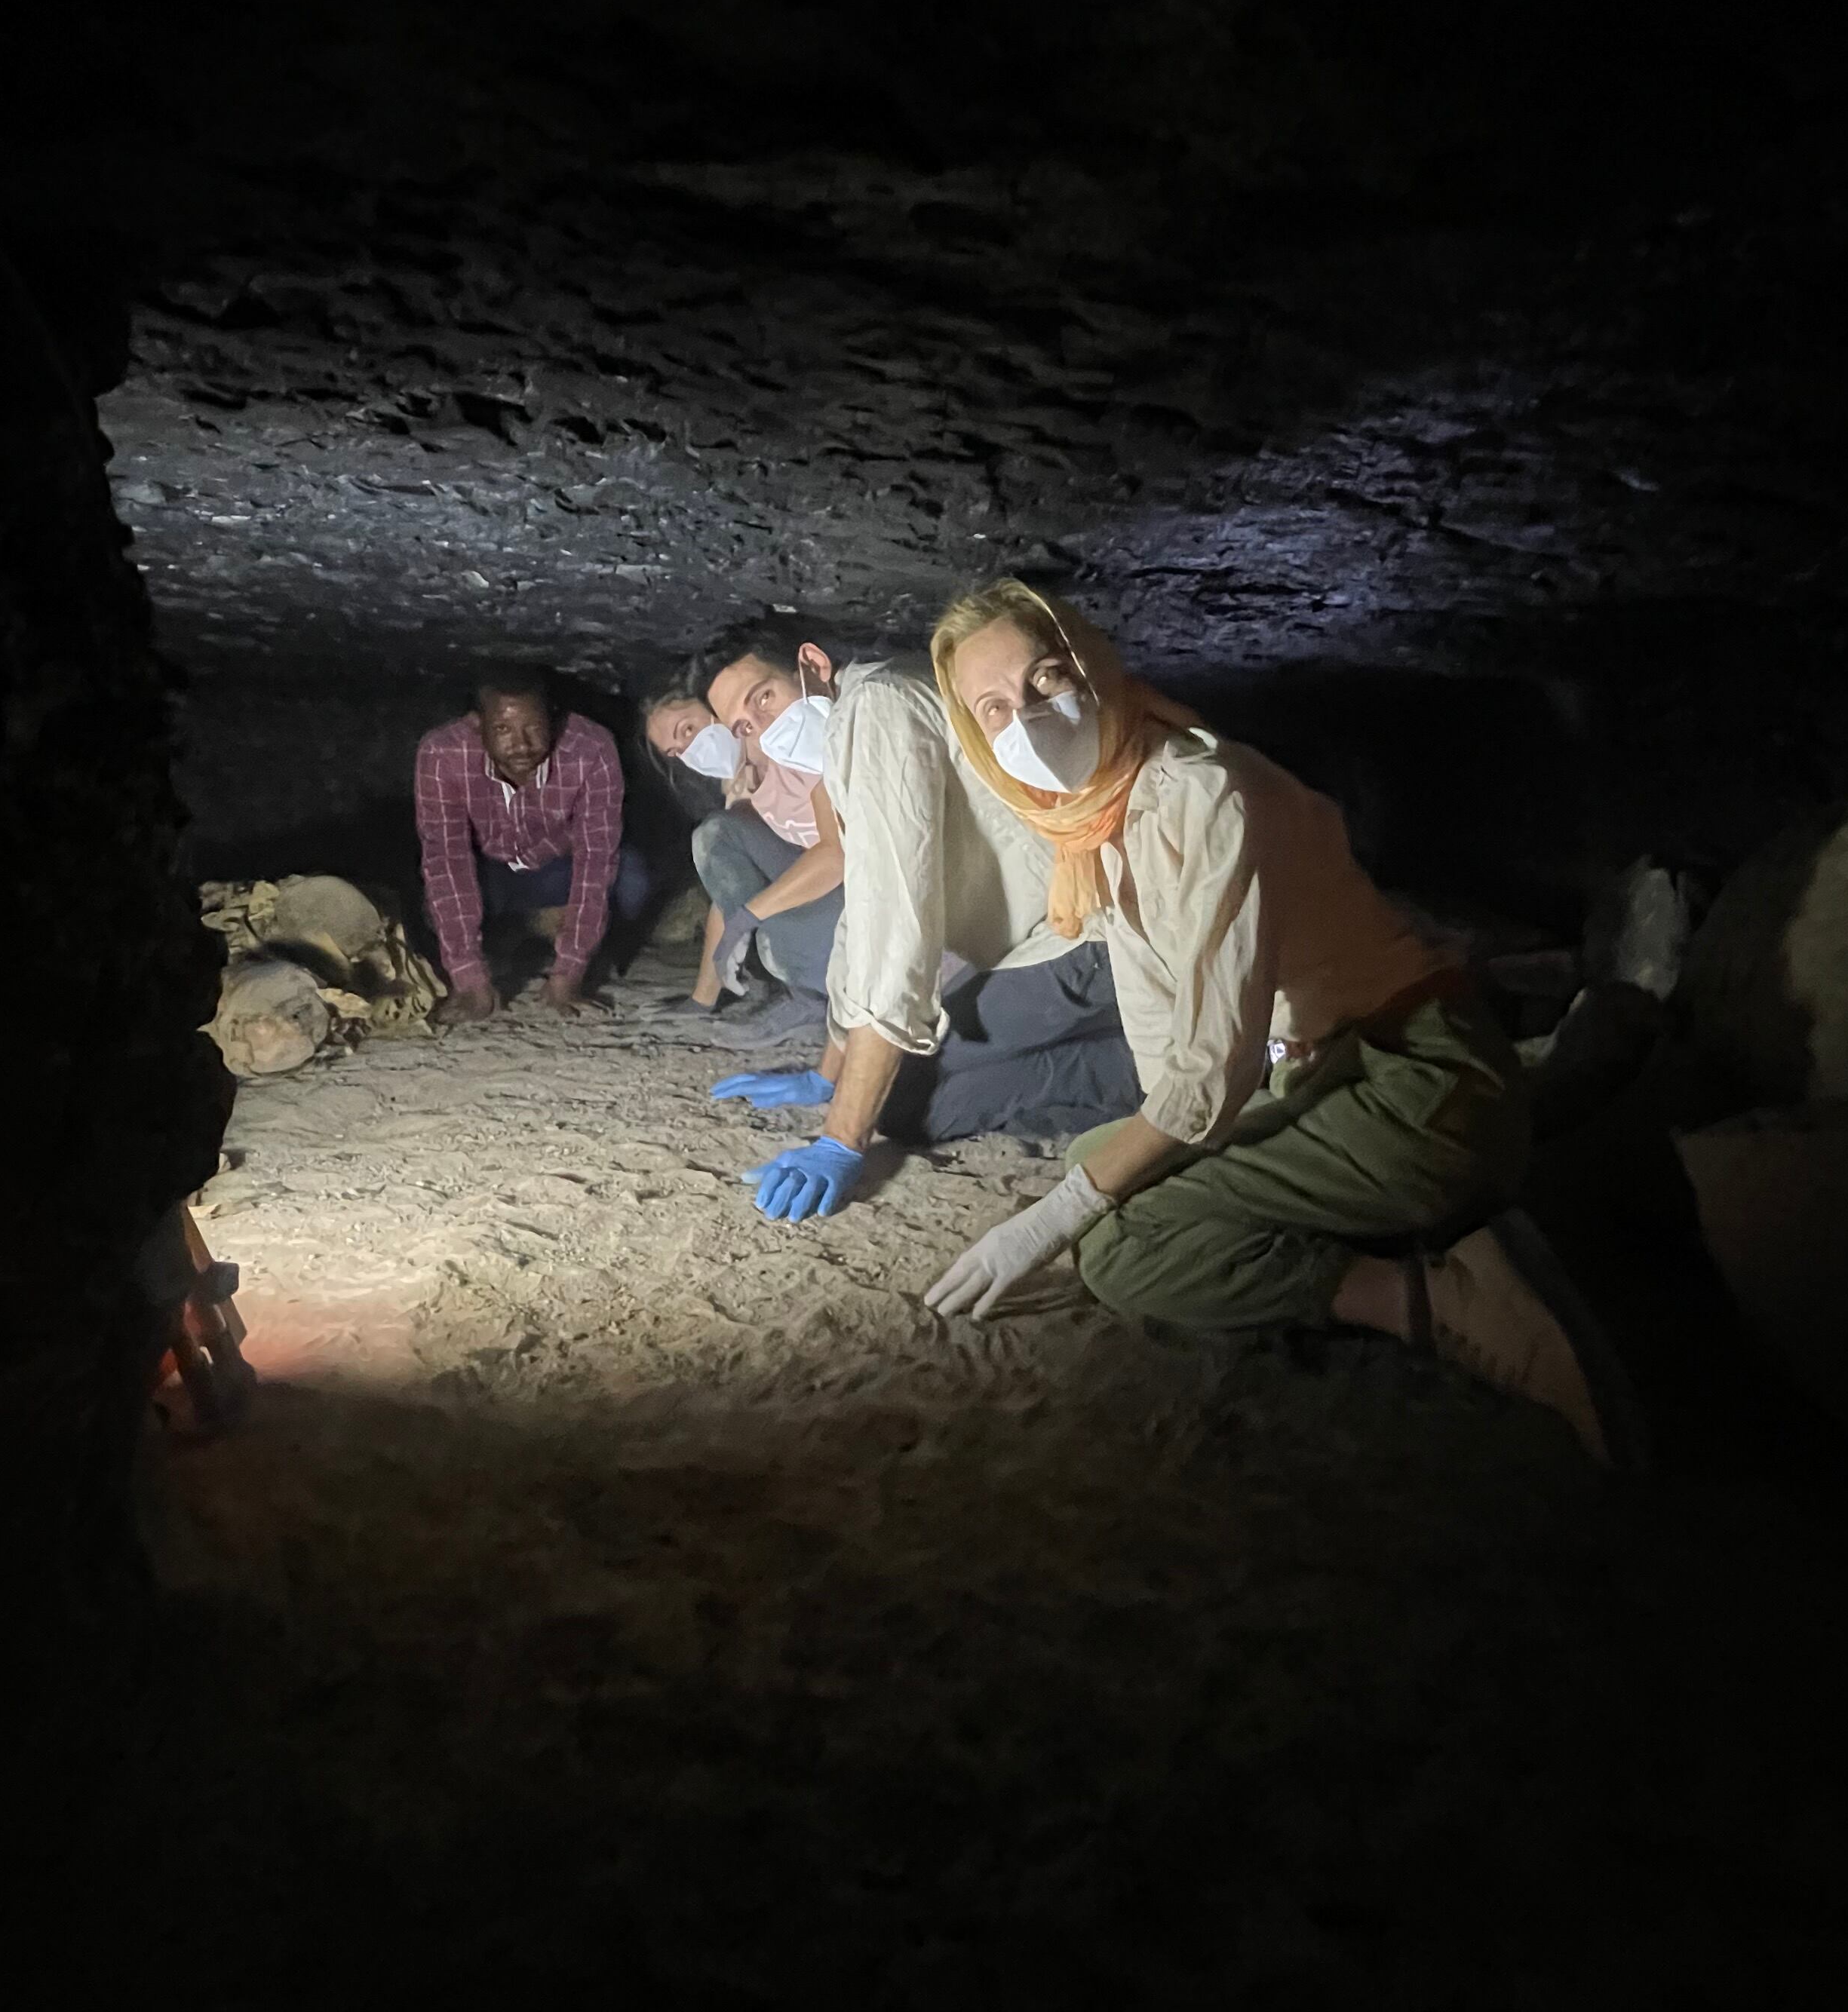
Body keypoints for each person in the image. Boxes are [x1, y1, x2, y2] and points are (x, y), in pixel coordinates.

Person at [915, 580, 1639, 1468]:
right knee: (1100, 1164)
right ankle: (1442, 1192)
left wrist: (1055, 1219)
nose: (1025, 719)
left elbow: (1209, 1076)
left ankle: (1442, 1295)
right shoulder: (1103, 817)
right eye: (993, 708)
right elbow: (1160, 1029)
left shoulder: (1204, 793)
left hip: (1416, 1084)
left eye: (1045, 679)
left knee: (1124, 1249)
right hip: (1329, 1073)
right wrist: (1116, 1174)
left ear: (1095, 667)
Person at [691, 619, 1141, 1215]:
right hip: (1039, 941)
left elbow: (896, 925)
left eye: (765, 698)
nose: (764, 730)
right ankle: (1143, 1043)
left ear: (812, 664)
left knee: (893, 1097)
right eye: (744, 727)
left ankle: (1154, 1064)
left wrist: (841, 1137)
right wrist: (832, 1070)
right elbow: (864, 912)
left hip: (1084, 944)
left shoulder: (877, 709)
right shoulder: (860, 715)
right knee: (898, 1094)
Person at [413, 665, 651, 1020]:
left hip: (556, 868)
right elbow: (447, 860)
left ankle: (568, 938)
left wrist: (570, 973)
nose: (521, 745)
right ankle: (526, 929)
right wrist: (469, 979)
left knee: (631, 879)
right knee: (431, 904)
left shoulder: (591, 747)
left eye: (534, 728)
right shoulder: (441, 753)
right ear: (477, 725)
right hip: (492, 872)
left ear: (554, 720)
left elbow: (596, 858)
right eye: (503, 729)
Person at [641, 682, 845, 1015]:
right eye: (677, 752)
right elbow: (729, 887)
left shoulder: (794, 749)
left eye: (689, 730)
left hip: (866, 909)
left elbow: (835, 856)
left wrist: (749, 918)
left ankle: (808, 1001)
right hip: (829, 914)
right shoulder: (744, 779)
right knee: (717, 837)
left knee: (716, 836)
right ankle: (801, 994)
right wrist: (703, 998)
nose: (690, 751)